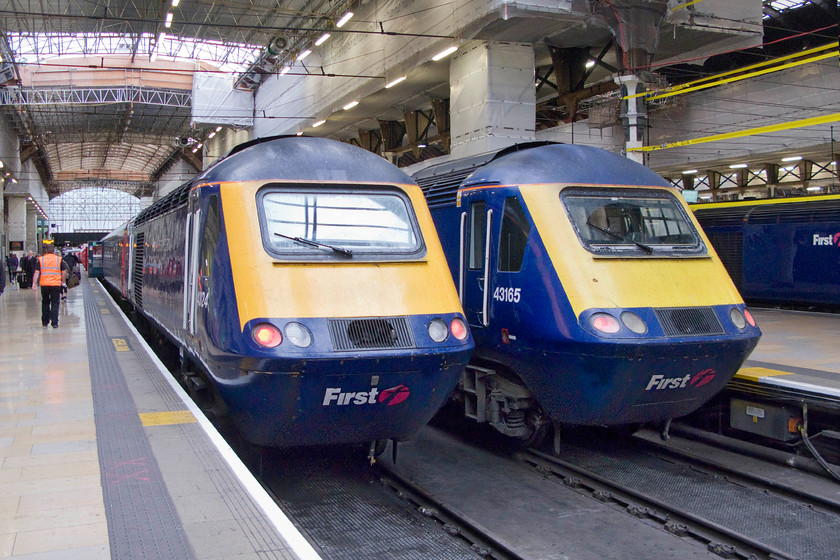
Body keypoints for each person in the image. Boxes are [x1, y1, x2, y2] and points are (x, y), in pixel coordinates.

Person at [32, 246, 69, 328]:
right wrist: (63, 282)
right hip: (55, 284)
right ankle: (54, 322)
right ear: (54, 251)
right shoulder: (59, 259)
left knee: (45, 302)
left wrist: (34, 283)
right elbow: (64, 272)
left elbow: (37, 272)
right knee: (55, 303)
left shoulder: (41, 259)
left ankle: (45, 322)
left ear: (46, 250)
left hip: (44, 284)